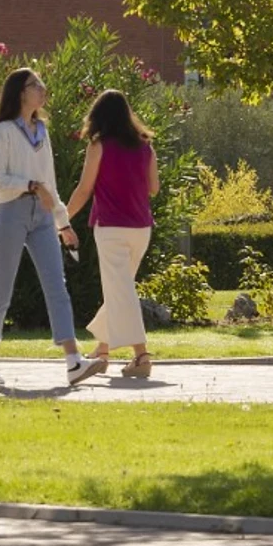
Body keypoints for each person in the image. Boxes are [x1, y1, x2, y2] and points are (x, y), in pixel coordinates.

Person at [0, 68, 106, 388]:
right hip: (10, 212)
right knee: (2, 288)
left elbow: (49, 184)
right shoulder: (3, 132)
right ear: (21, 92)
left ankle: (73, 361)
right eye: (37, 85)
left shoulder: (42, 132)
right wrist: (31, 185)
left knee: (57, 287)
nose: (43, 90)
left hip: (44, 216)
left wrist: (64, 223)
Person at [68, 89, 162, 378]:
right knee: (119, 289)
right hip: (141, 228)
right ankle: (103, 349)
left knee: (121, 290)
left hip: (110, 228)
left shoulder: (99, 146)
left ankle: (141, 355)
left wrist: (60, 218)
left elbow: (84, 189)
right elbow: (154, 188)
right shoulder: (145, 145)